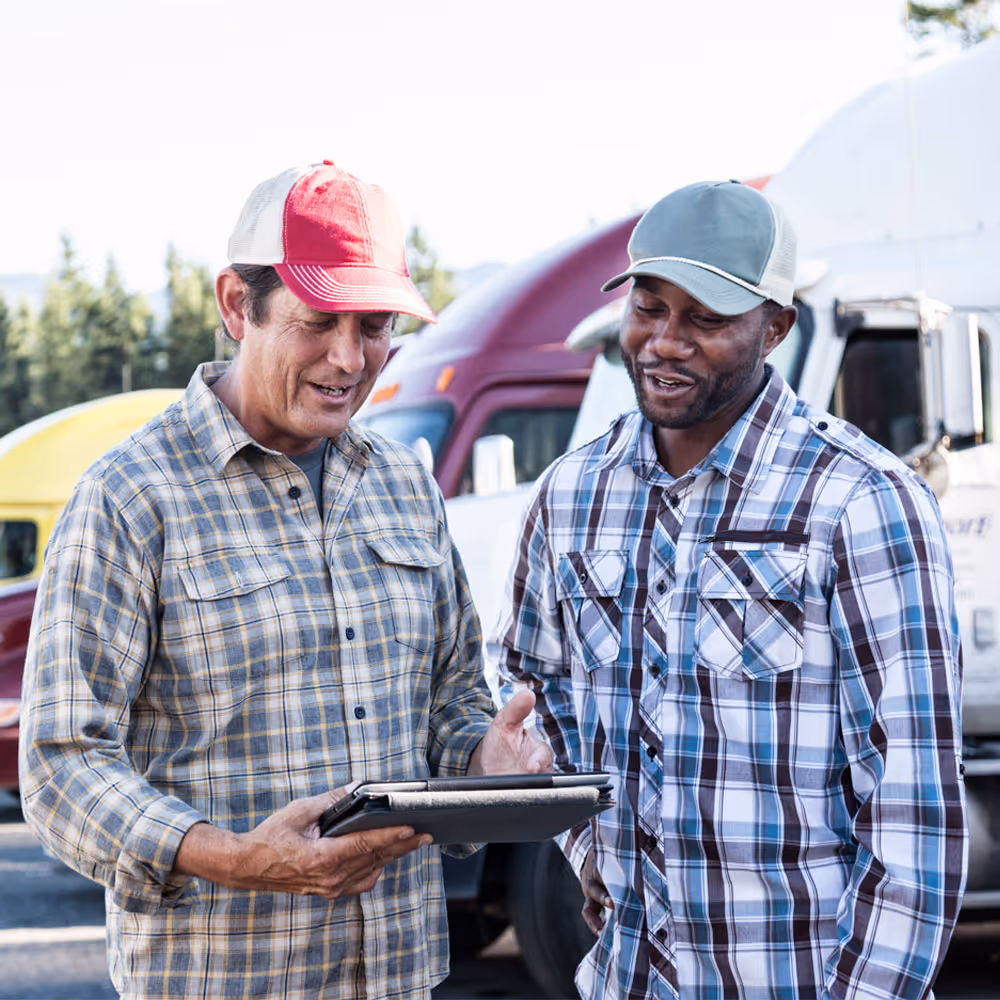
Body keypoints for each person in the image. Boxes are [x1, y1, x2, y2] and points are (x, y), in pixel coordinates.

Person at [18, 160, 551, 1000]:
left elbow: (450, 700)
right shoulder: (130, 498)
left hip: (401, 976)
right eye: (318, 322)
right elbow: (60, 766)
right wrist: (236, 859)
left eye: (374, 324)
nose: (350, 357)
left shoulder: (406, 486)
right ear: (237, 304)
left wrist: (486, 760)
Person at [495, 180, 967, 999]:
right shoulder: (574, 494)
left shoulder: (860, 501)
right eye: (649, 307)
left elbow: (912, 812)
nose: (664, 342)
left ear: (775, 326)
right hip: (626, 979)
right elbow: (536, 690)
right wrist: (589, 845)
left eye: (707, 319)